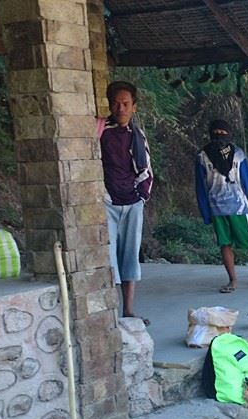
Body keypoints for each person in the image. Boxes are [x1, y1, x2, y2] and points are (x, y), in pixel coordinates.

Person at [195, 119, 248, 293]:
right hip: (217, 208)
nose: (219, 136)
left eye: (222, 133)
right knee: (225, 244)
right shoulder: (202, 156)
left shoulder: (238, 154)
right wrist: (205, 212)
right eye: (216, 133)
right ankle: (233, 280)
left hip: (239, 207)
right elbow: (200, 187)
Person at [98, 80, 153, 324]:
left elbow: (146, 168)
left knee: (129, 255)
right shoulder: (100, 130)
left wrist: (142, 195)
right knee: (108, 257)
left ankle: (128, 310)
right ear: (110, 105)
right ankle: (110, 311)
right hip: (107, 201)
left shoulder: (138, 135)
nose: (121, 108)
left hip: (132, 201)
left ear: (134, 107)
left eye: (126, 103)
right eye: (116, 103)